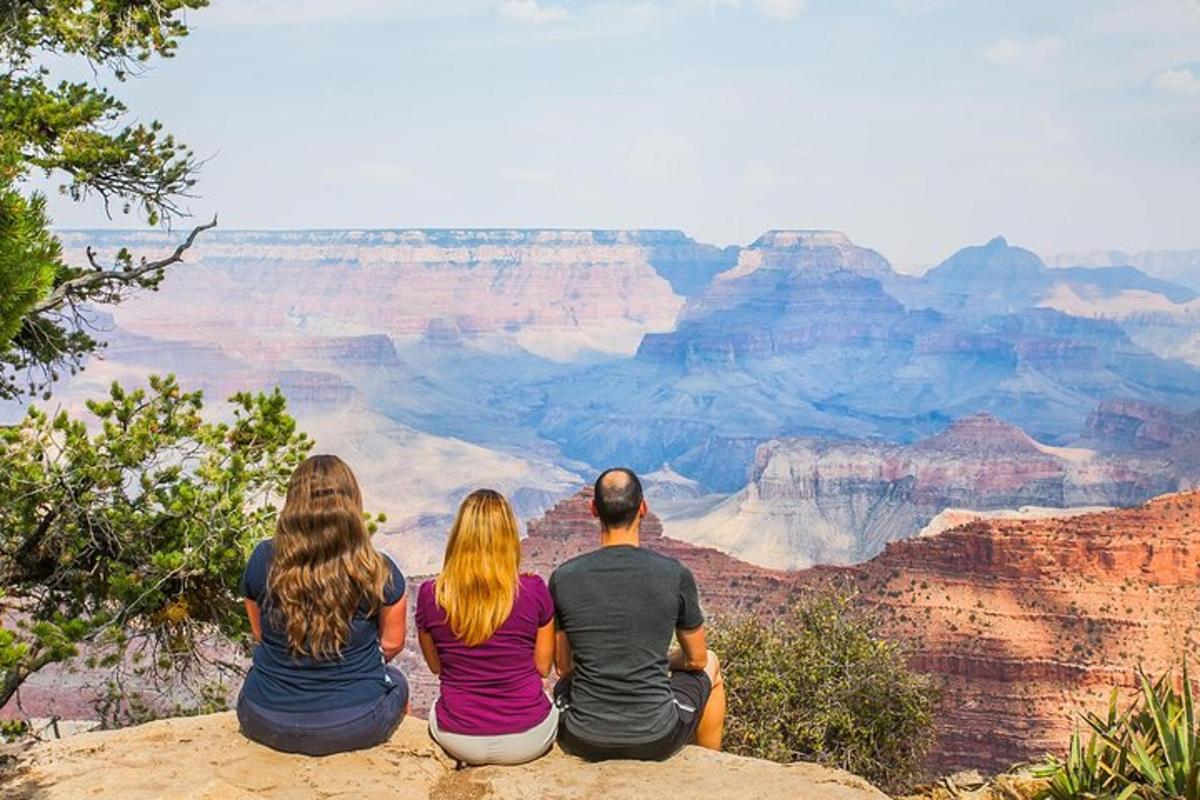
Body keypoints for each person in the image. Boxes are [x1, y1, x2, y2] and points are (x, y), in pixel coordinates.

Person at [550, 467, 726, 761]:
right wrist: (663, 659)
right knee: (712, 663)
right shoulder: (675, 575)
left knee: (564, 687)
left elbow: (564, 667)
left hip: (582, 738)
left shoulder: (563, 577)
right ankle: (711, 763)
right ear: (643, 508)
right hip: (656, 737)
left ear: (593, 509)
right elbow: (696, 659)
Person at [237, 454, 409, 756]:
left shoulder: (262, 558)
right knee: (397, 682)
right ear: (352, 503)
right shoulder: (378, 569)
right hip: (355, 724)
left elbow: (259, 633)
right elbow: (392, 644)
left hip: (264, 719)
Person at [416, 489, 557, 766]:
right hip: (527, 737)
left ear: (459, 536)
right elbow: (543, 667)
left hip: (458, 737)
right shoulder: (533, 589)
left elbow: (436, 667)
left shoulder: (431, 594)